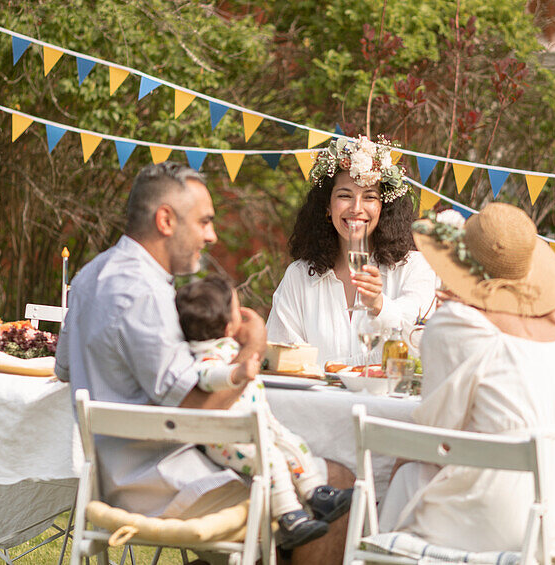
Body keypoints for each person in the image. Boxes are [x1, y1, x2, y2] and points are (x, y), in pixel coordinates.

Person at [54, 162, 353, 565]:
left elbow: (64, 369)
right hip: (166, 484)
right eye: (204, 222)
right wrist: (253, 349)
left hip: (108, 480)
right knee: (335, 481)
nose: (211, 236)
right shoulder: (143, 293)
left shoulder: (90, 275)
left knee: (292, 493)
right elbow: (197, 411)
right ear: (165, 220)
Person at [378, 204, 555, 562]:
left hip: (499, 515)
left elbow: (437, 434)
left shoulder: (460, 324)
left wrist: (396, 468)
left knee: (405, 477)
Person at [176, 275, 352, 550]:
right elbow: (208, 376)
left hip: (257, 426)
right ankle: (289, 516)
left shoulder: (226, 347)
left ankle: (316, 492)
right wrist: (237, 373)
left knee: (293, 444)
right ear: (228, 325)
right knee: (272, 460)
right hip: (229, 439)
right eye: (237, 309)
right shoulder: (206, 353)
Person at [267, 136, 437, 364]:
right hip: (316, 400)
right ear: (327, 206)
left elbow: (421, 343)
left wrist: (379, 305)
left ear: (383, 207)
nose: (356, 209)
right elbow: (281, 356)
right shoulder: (299, 276)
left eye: (369, 197)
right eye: (345, 196)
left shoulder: (415, 267)